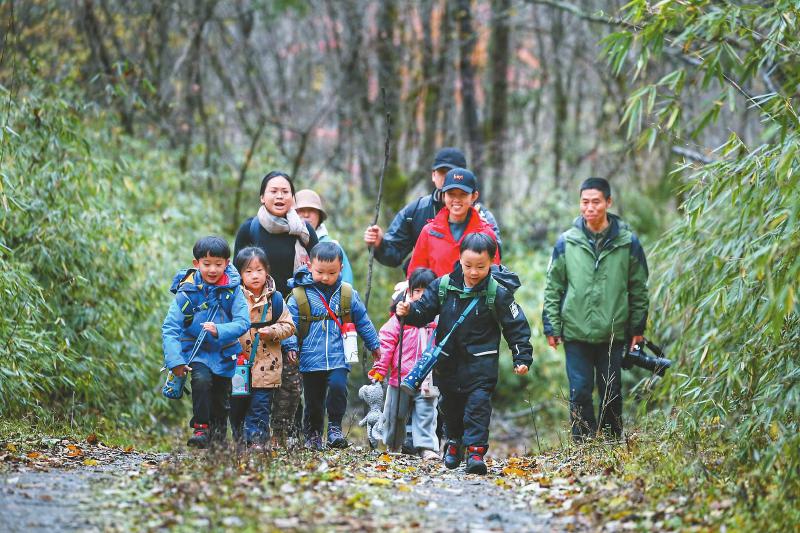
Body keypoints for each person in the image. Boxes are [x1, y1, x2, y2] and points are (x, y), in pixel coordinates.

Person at [396, 233, 533, 474]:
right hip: (447, 364)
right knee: (450, 407)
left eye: (480, 266)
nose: (473, 272)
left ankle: (476, 453)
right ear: (459, 259)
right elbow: (423, 313)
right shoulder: (443, 286)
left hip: (481, 364)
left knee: (478, 407)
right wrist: (407, 311)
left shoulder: (497, 293)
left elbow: (516, 326)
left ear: (491, 261)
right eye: (468, 265)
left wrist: (521, 356)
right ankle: (454, 442)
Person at [542, 177, 649, 441]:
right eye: (584, 202)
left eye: (596, 202)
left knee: (611, 391)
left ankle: (611, 443)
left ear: (608, 202)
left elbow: (638, 288)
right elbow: (553, 286)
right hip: (576, 330)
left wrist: (638, 327)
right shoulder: (566, 242)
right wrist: (551, 325)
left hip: (613, 332)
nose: (589, 207)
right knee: (579, 390)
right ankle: (584, 443)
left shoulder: (628, 242)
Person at [233, 171, 318, 445]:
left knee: (292, 377)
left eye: (285, 191)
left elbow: (318, 270)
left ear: (293, 197)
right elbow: (237, 273)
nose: (280, 196)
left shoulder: (305, 231)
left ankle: (288, 433)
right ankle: (247, 434)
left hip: (296, 310)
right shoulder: (250, 229)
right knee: (249, 377)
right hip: (256, 312)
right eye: (273, 191)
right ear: (262, 196)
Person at [287, 241, 381, 450]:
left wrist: (374, 344)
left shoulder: (347, 294)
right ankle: (312, 434)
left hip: (340, 354)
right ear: (309, 265)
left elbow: (362, 320)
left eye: (332, 272)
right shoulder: (299, 295)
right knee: (313, 398)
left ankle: (335, 429)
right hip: (310, 357)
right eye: (320, 272)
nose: (326, 278)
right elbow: (290, 324)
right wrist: (290, 346)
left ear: (341, 268)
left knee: (339, 388)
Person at [162, 236, 250, 449]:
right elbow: (170, 327)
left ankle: (218, 440)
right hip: (197, 351)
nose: (212, 269)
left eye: (218, 264)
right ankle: (201, 427)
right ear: (196, 264)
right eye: (206, 264)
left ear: (227, 264)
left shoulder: (233, 290)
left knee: (221, 399)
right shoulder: (187, 291)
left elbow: (243, 322)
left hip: (225, 353)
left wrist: (219, 330)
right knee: (201, 380)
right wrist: (175, 360)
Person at [364, 147, 501, 271]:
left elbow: (494, 257)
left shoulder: (481, 215)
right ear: (433, 175)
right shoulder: (416, 211)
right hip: (426, 287)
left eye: (452, 172)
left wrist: (477, 230)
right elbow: (394, 256)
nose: (448, 178)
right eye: (442, 172)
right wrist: (380, 244)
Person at [368, 267, 439, 460]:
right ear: (409, 292)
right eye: (417, 291)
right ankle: (393, 444)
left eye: (427, 291)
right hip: (400, 377)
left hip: (428, 379)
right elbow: (386, 341)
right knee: (394, 415)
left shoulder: (438, 320)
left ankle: (427, 448)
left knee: (426, 415)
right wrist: (380, 369)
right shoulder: (401, 318)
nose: (422, 295)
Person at [229, 247, 296, 450]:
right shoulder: (233, 297)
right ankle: (241, 441)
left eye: (259, 270)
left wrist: (273, 331)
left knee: (260, 405)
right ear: (239, 274)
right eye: (248, 271)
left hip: (267, 364)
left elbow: (290, 326)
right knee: (237, 406)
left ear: (267, 270)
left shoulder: (275, 299)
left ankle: (258, 442)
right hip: (238, 363)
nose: (254, 276)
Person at [405, 168, 501, 277]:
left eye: (463, 194)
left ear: (474, 196)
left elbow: (495, 276)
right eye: (451, 194)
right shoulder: (429, 231)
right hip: (435, 294)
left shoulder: (486, 233)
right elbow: (415, 274)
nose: (456, 199)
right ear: (444, 196)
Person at [294, 189, 354, 285]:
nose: (306, 215)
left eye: (311, 210)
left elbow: (347, 283)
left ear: (320, 216)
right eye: (300, 210)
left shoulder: (332, 246)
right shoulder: (287, 242)